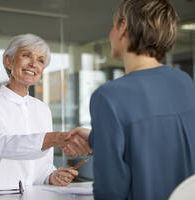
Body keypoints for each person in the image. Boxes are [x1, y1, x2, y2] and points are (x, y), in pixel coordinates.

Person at [63, 0, 195, 199]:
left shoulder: (108, 96)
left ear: (123, 27)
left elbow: (111, 190)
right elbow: (159, 140)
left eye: (112, 26)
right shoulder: (185, 83)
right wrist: (97, 138)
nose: (110, 34)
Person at [0, 33, 92, 190]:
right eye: (26, 56)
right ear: (8, 61)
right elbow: (0, 145)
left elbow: (42, 166)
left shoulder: (42, 109)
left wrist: (51, 176)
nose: (34, 64)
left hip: (32, 194)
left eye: (40, 61)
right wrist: (56, 137)